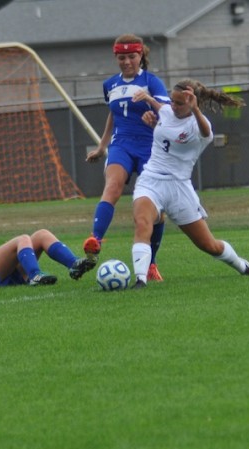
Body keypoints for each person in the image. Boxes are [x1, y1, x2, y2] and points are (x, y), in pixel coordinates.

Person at [129, 80, 249, 289]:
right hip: (151, 181)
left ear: (192, 102)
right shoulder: (168, 110)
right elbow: (162, 110)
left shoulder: (198, 125)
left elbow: (206, 133)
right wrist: (148, 100)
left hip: (179, 188)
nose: (173, 106)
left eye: (179, 103)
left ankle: (243, 266)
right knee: (142, 222)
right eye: (172, 101)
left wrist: (194, 110)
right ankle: (140, 280)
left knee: (209, 245)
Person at [84, 34, 171, 281]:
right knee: (112, 185)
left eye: (131, 56)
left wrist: (151, 103)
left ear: (141, 55)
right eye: (121, 57)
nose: (126, 62)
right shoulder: (110, 85)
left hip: (148, 148)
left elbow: (167, 114)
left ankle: (151, 264)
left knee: (155, 210)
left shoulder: (152, 82)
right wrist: (102, 147)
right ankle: (95, 240)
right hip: (121, 145)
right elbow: (114, 114)